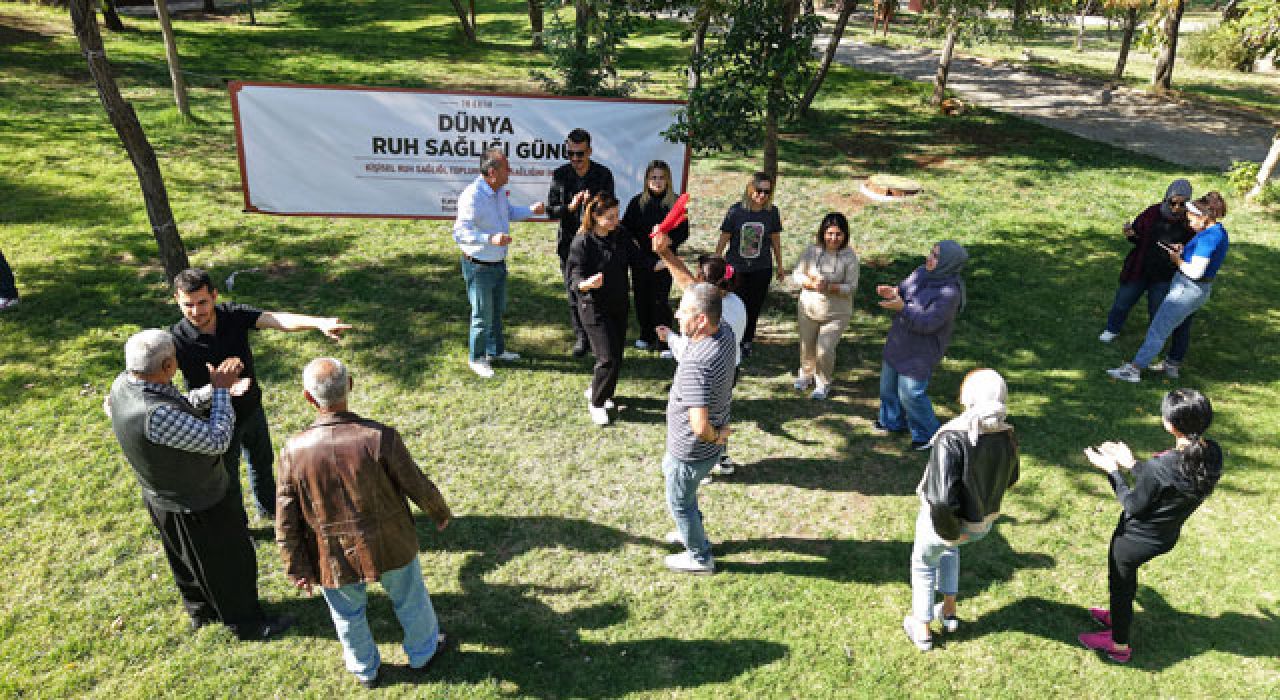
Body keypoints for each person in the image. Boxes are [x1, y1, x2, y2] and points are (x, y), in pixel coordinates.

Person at [276, 358, 453, 689]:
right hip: (390, 541)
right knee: (410, 596)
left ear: (308, 397)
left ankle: (364, 669)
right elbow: (415, 481)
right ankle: (424, 652)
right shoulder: (379, 437)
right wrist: (438, 511)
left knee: (346, 613)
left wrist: (295, 566)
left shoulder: (293, 451)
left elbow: (286, 516)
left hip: (331, 552)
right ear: (351, 386)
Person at [106, 329, 291, 640]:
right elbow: (217, 439)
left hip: (163, 499)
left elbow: (179, 403)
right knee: (231, 562)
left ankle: (201, 611)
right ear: (167, 366)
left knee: (186, 561)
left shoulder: (124, 385)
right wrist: (220, 392)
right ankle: (248, 623)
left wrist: (216, 389)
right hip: (198, 502)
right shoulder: (156, 414)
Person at [169, 268, 351, 521]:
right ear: (177, 300)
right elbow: (158, 377)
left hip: (251, 409)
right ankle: (237, 527)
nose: (197, 312)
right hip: (215, 423)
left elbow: (276, 319)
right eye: (188, 305)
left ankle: (269, 509)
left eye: (203, 302)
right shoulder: (175, 340)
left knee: (262, 464)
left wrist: (319, 323)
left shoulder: (232, 315)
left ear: (214, 296)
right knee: (227, 480)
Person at [1079, 388, 1222, 663]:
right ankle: (1118, 616)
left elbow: (1133, 504)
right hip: (1164, 536)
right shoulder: (1211, 454)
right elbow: (1165, 485)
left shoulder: (1162, 466)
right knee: (1124, 585)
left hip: (1133, 541)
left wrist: (1111, 470)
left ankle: (1118, 645)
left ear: (1170, 424)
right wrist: (1132, 464)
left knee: (1120, 586)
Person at [902, 369, 1019, 652]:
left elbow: (941, 502)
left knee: (924, 563)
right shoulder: (1007, 434)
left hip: (946, 524)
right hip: (981, 523)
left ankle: (922, 627)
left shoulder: (952, 437)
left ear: (969, 398)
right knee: (951, 552)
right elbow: (1012, 478)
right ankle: (950, 612)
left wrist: (951, 533)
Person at [1107, 192, 1229, 383]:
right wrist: (1183, 249)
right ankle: (1171, 365)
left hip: (1187, 289)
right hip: (1199, 291)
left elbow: (1196, 271)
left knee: (1158, 329)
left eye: (1191, 219)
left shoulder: (1207, 238)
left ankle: (1134, 369)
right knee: (1182, 325)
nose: (1189, 224)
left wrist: (1177, 260)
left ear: (1204, 217)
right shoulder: (1218, 232)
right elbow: (1201, 257)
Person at [653, 232, 746, 478]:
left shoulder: (711, 318)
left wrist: (670, 338)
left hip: (709, 370)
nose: (694, 280)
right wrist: (666, 254)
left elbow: (689, 354)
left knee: (702, 418)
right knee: (720, 411)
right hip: (730, 369)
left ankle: (701, 466)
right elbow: (689, 285)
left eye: (699, 277)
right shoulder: (736, 303)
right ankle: (721, 456)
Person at [658, 283, 735, 574]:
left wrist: (718, 437)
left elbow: (700, 427)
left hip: (691, 451)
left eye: (684, 311)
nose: (677, 314)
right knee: (685, 496)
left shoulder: (695, 364)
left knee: (680, 503)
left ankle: (700, 556)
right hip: (705, 452)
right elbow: (702, 292)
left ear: (701, 319)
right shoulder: (724, 332)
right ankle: (691, 531)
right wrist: (667, 255)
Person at [453, 147, 546, 379]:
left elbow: (509, 212)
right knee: (482, 314)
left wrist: (531, 211)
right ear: (493, 172)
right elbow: (460, 232)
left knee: (496, 311)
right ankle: (476, 357)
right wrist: (489, 238)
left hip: (497, 263)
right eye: (506, 167)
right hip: (479, 265)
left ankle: (496, 351)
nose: (510, 172)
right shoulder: (472, 195)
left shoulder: (499, 191)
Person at [873, 240, 967, 449]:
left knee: (911, 394)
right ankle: (891, 420)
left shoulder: (950, 293)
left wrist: (901, 308)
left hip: (921, 351)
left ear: (947, 263)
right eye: (931, 253)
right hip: (900, 341)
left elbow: (928, 323)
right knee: (888, 388)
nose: (929, 258)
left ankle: (927, 433)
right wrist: (893, 292)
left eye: (935, 256)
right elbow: (905, 290)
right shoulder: (921, 272)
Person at [1098, 179, 1194, 357]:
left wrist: (1181, 251)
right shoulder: (1152, 212)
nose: (1177, 208)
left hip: (1165, 274)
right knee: (1123, 301)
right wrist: (1131, 234)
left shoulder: (1190, 222)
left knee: (1157, 310)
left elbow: (1192, 248)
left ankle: (1153, 341)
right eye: (1173, 203)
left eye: (1182, 204)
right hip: (1140, 267)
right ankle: (1112, 328)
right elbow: (1138, 236)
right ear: (1167, 199)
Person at [567, 192, 639, 426]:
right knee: (606, 358)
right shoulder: (583, 242)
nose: (615, 220)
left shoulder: (620, 235)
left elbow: (639, 260)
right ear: (596, 217)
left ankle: (603, 392)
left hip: (618, 303)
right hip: (593, 307)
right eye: (609, 217)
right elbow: (574, 278)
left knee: (617, 356)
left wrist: (664, 261)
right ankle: (596, 403)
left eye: (616, 215)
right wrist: (587, 284)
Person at [546, 128, 615, 357]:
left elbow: (610, 208)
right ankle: (581, 337)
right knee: (574, 291)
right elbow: (551, 211)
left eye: (580, 154)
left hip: (597, 243)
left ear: (590, 151)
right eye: (571, 154)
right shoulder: (560, 175)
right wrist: (571, 207)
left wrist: (592, 207)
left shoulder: (603, 175)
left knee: (598, 290)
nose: (575, 159)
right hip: (569, 244)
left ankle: (600, 335)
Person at [715, 171, 784, 360]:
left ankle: (747, 341)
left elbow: (775, 240)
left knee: (753, 307)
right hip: (736, 268)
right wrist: (716, 261)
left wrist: (779, 265)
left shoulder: (772, 213)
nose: (762, 195)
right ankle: (730, 339)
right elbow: (725, 237)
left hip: (761, 268)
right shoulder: (736, 211)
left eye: (767, 192)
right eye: (759, 190)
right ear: (750, 189)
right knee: (734, 305)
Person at [791, 212, 860, 400]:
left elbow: (851, 286)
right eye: (830, 233)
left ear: (845, 235)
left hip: (836, 313)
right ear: (823, 233)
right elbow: (797, 274)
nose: (833, 238)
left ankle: (823, 383)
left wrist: (831, 287)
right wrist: (812, 283)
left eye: (838, 234)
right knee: (807, 345)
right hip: (809, 308)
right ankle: (806, 375)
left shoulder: (849, 257)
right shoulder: (811, 251)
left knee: (824, 350)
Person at [622, 160, 688, 352]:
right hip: (641, 260)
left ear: (668, 180)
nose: (657, 181)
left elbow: (683, 231)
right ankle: (646, 334)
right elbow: (627, 229)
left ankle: (664, 340)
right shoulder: (637, 203)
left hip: (664, 259)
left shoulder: (675, 203)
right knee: (641, 298)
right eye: (653, 177)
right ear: (647, 180)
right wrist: (636, 249)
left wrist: (668, 242)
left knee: (660, 300)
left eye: (661, 178)